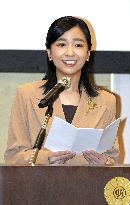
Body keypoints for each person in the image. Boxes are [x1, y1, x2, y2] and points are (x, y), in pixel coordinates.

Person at [4, 16, 119, 165]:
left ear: (88, 53)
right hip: (40, 186)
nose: (70, 52)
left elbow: (114, 161)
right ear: (49, 52)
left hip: (89, 186)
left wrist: (104, 163)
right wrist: (45, 158)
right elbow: (13, 157)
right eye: (62, 44)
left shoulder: (106, 100)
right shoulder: (26, 94)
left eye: (78, 45)